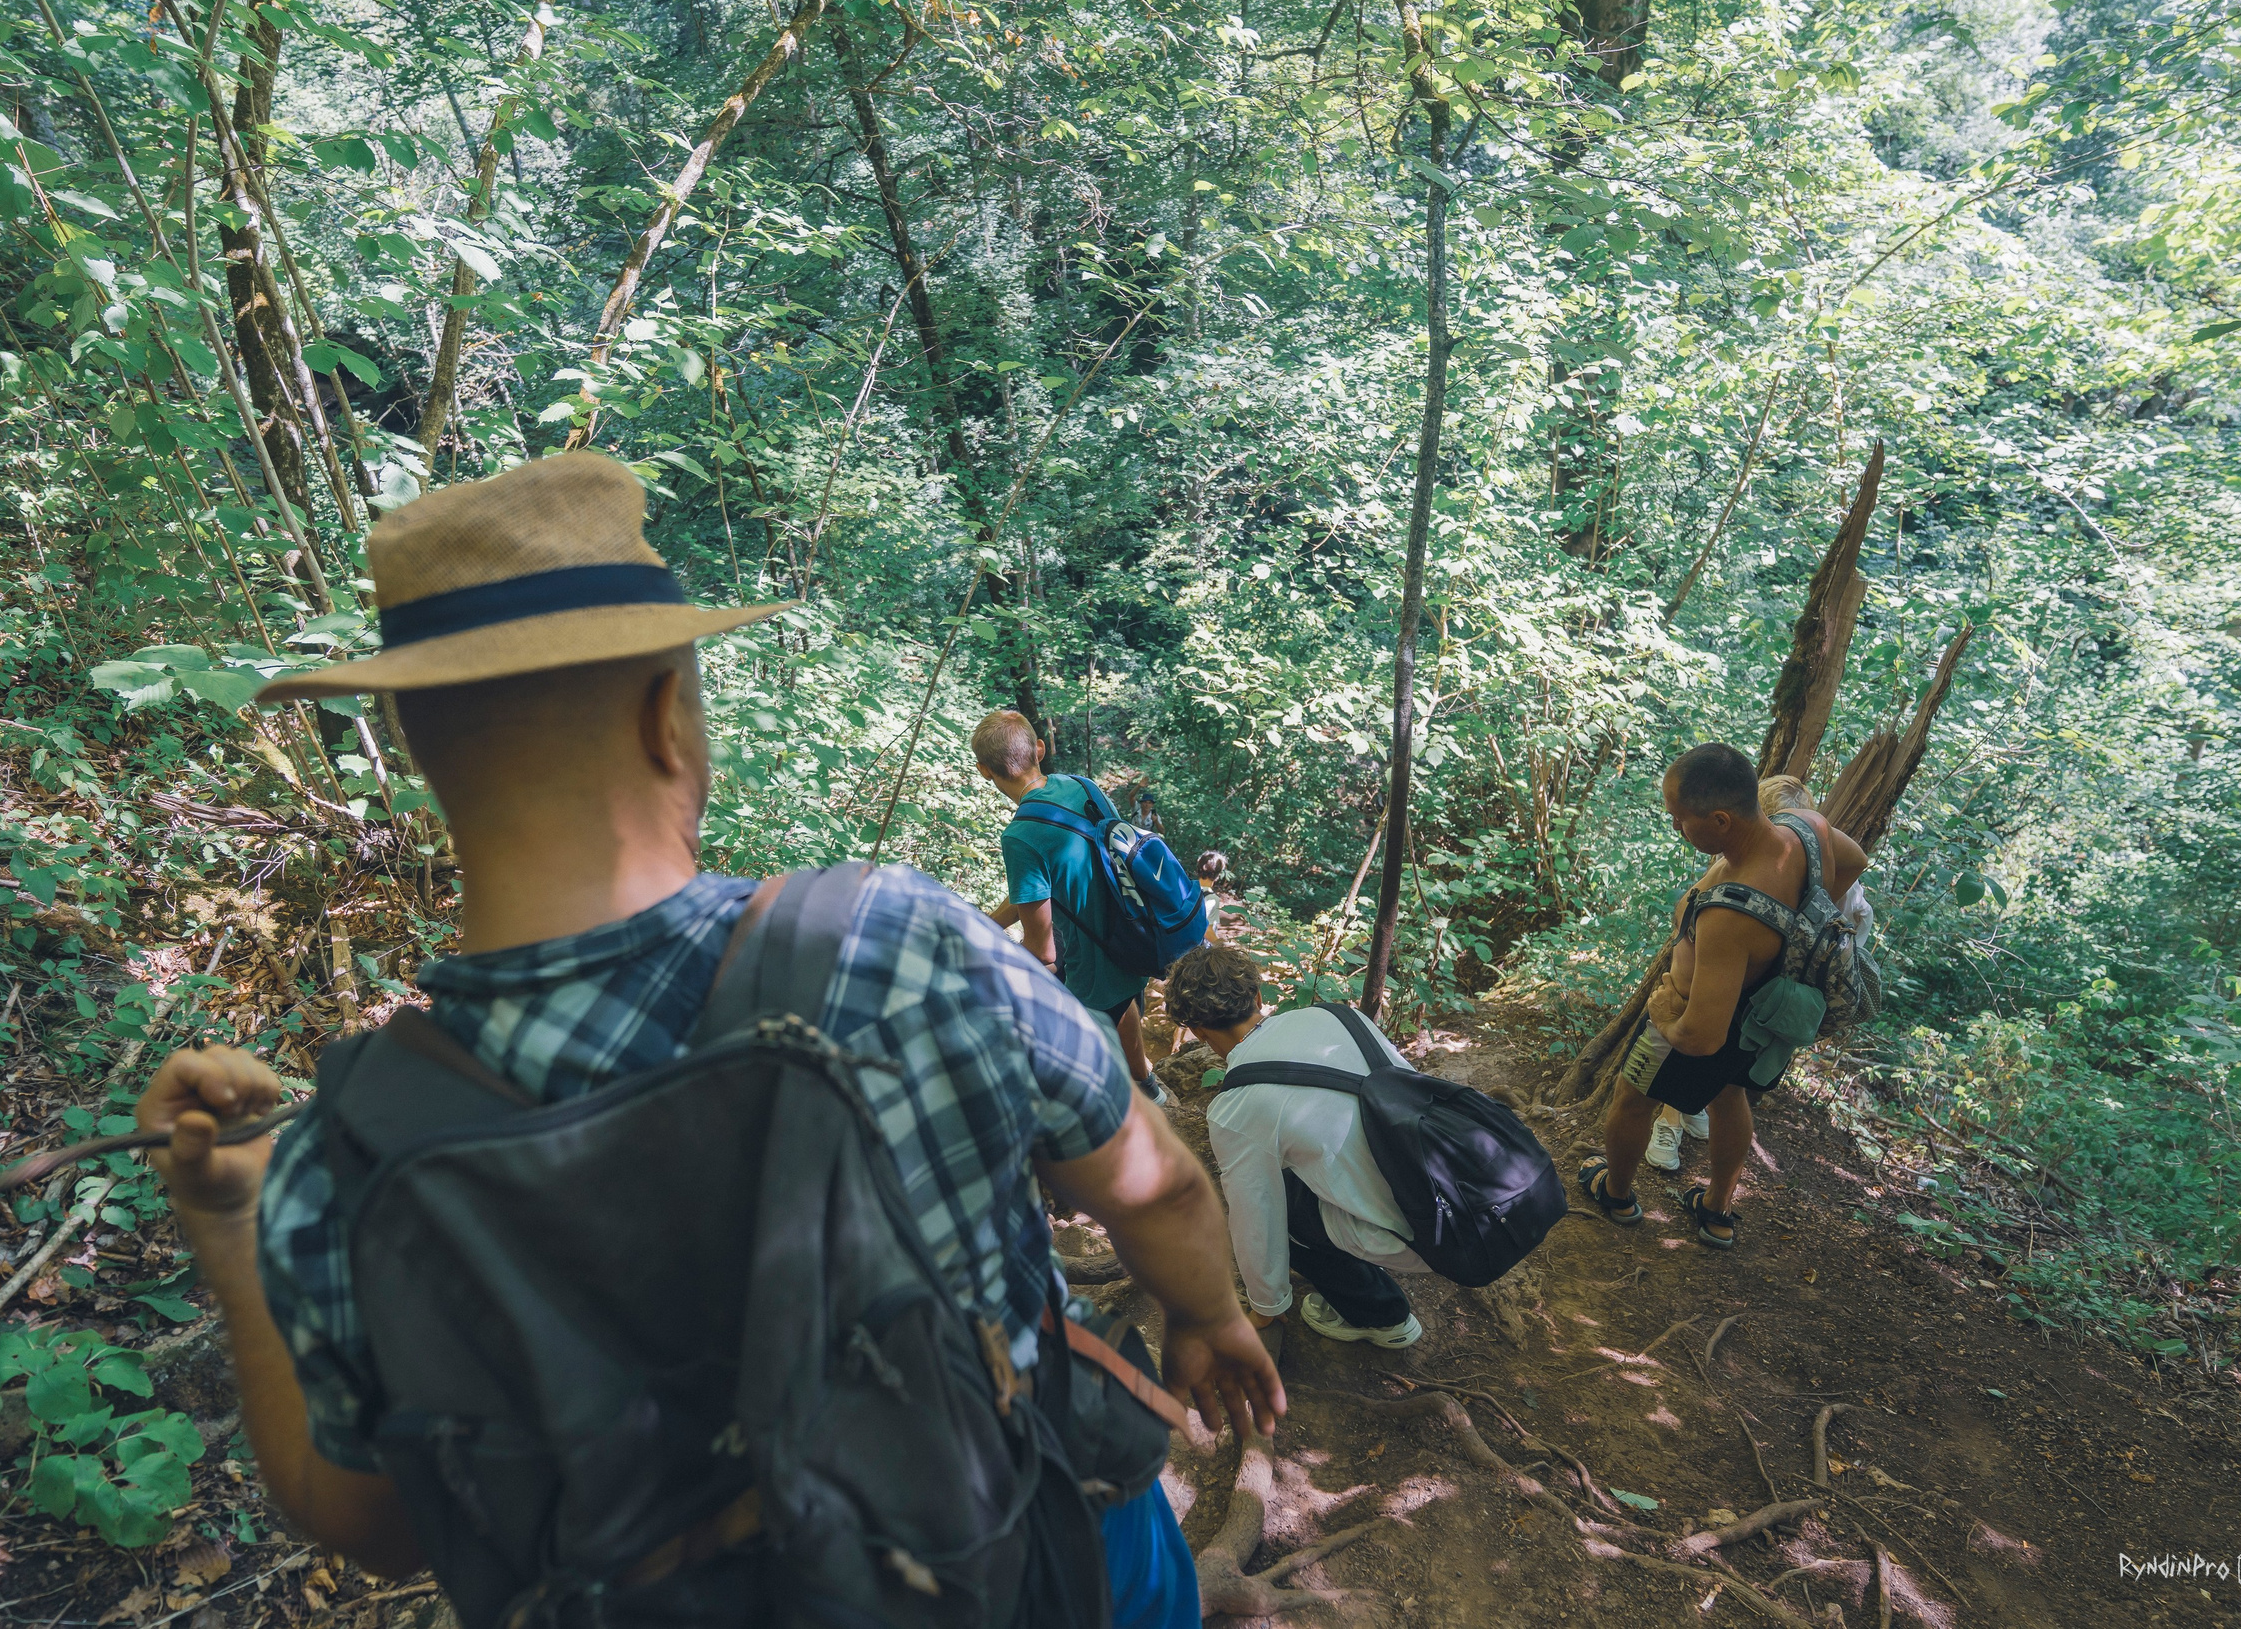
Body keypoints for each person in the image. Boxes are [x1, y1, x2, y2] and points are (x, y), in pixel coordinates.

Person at [132, 454, 1281, 1628]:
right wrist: (1209, 1316)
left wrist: (228, 1222)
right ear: (664, 718)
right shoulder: (889, 941)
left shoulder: (351, 1145)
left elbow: (370, 1521)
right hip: (1028, 1557)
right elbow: (1154, 1186)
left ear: (417, 747)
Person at [1579, 742, 1866, 1248]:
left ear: (1720, 820)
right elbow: (1856, 860)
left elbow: (1701, 1038)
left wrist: (1664, 1011)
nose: (1675, 827)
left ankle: (1616, 1193)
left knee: (1632, 1099)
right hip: (1762, 1014)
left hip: (1703, 1017)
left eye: (1680, 819)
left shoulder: (1730, 915)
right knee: (1730, 1096)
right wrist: (1799, 923)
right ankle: (1716, 1210)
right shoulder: (1807, 828)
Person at [1166, 945, 1429, 1351]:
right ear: (1258, 997)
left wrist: (1265, 1306)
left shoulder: (1236, 1107)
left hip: (1421, 1234)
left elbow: (1257, 1221)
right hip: (1449, 1185)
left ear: (1198, 1032)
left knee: (1282, 1204)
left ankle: (1382, 1315)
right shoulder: (1339, 1017)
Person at [974, 710, 1159, 1099]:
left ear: (984, 771)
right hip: (1134, 936)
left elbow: (1043, 952)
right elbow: (1043, 888)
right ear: (1039, 750)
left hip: (1089, 970)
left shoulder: (1020, 836)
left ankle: (1133, 1102)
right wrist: (989, 923)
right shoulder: (1084, 787)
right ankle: (1147, 1083)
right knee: (1122, 1000)